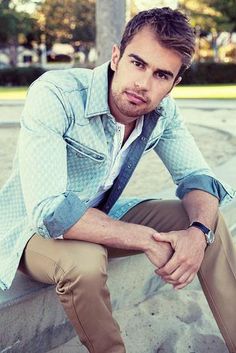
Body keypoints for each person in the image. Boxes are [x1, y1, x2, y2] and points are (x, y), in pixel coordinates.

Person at [0, 7, 235, 353]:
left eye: (161, 75)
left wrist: (198, 235)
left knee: (206, 221)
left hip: (100, 215)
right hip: (29, 231)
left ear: (174, 84)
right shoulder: (57, 94)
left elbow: (198, 177)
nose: (143, 84)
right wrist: (145, 239)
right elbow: (50, 212)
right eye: (137, 64)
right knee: (85, 262)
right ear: (116, 57)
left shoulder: (162, 112)